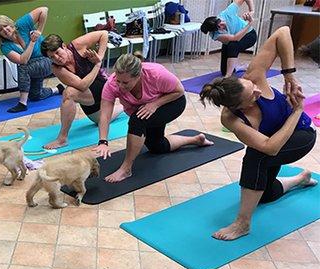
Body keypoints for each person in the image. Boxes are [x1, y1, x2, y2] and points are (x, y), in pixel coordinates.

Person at [199, 26, 317, 241]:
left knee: (256, 157)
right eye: (252, 95)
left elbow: (283, 31)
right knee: (266, 194)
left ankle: (242, 224)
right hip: (277, 141)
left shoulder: (253, 76)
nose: (258, 90)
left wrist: (289, 75)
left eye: (250, 84)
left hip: (302, 134)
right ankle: (301, 178)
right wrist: (297, 110)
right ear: (240, 107)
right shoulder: (231, 118)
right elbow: (271, 146)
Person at [93, 52, 214, 183]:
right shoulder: (111, 84)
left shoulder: (156, 74)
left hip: (172, 103)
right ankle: (196, 140)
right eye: (118, 80)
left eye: (125, 82)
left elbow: (179, 91)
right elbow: (105, 115)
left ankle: (126, 169)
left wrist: (155, 104)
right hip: (147, 111)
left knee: (137, 120)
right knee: (157, 147)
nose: (120, 86)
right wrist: (103, 141)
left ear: (138, 76)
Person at [40, 32, 121, 149]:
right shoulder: (56, 68)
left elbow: (103, 34)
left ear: (63, 46)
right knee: (98, 120)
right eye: (52, 57)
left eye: (57, 53)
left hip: (102, 86)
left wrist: (100, 57)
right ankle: (123, 107)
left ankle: (62, 139)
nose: (56, 58)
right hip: (88, 96)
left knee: (69, 93)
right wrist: (97, 65)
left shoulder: (77, 45)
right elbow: (82, 86)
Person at [0, 7, 63, 113]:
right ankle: (57, 89)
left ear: (10, 24)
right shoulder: (5, 46)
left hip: (47, 60)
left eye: (5, 26)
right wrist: (32, 41)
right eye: (1, 30)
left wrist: (39, 31)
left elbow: (44, 10)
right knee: (35, 96)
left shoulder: (21, 25)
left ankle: (22, 103)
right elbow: (23, 59)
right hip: (33, 67)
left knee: (23, 67)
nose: (5, 30)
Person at [200, 0, 257, 77]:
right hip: (234, 38)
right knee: (224, 70)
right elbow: (235, 38)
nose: (222, 25)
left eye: (220, 22)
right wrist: (250, 23)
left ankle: (228, 76)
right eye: (219, 28)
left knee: (232, 45)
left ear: (218, 18)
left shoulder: (228, 13)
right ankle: (238, 67)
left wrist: (251, 11)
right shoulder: (215, 34)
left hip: (249, 35)